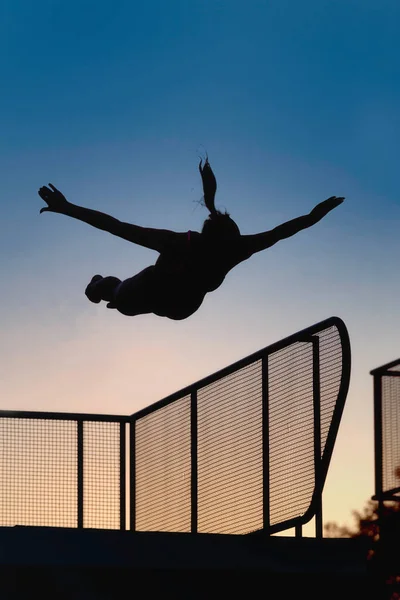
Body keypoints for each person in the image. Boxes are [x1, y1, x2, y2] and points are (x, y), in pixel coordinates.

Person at [38, 158, 344, 320]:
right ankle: (104, 290)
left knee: (115, 289)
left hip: (154, 297)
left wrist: (68, 209)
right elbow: (284, 231)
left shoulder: (185, 244)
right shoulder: (236, 249)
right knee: (120, 290)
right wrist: (315, 216)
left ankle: (100, 288)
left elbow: (116, 226)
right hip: (177, 304)